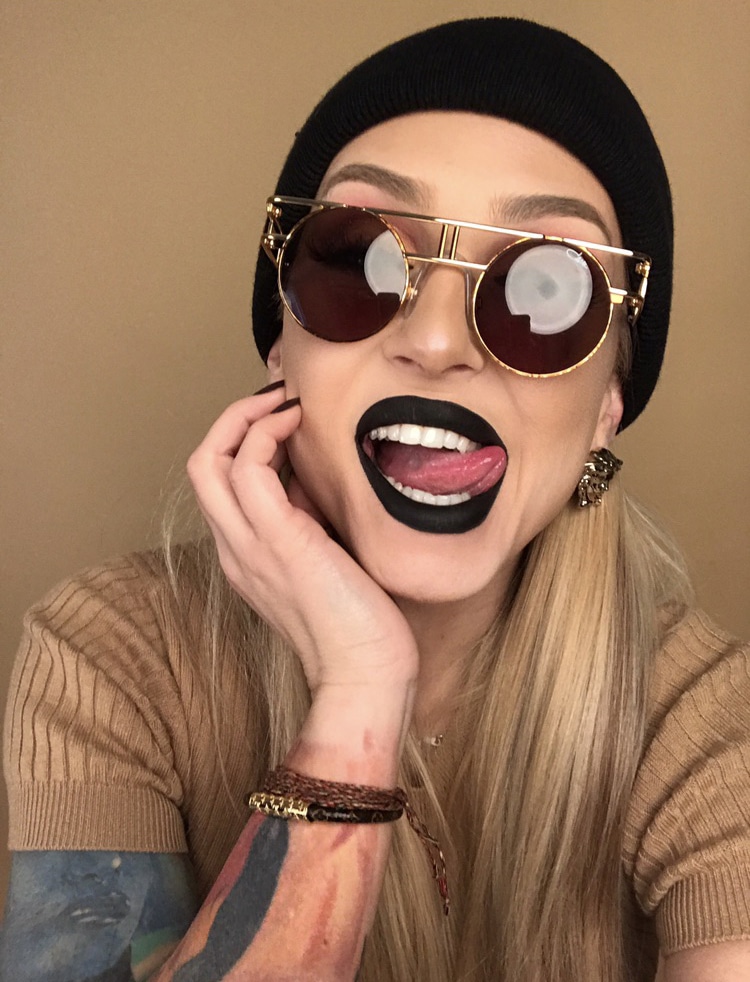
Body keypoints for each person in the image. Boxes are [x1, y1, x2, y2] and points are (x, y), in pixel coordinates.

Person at [1, 16, 749, 982]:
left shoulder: (705, 724)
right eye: (363, 258)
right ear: (281, 346)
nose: (437, 342)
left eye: (549, 288)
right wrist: (359, 692)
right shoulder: (112, 661)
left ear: (609, 402)